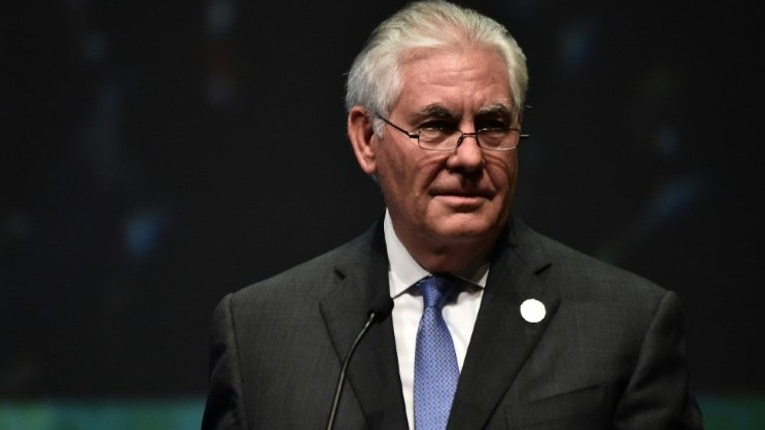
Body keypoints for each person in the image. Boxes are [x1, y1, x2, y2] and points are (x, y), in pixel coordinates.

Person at [201, 1, 703, 429]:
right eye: (436, 126)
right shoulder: (261, 334)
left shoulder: (626, 326)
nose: (469, 158)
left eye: (492, 125)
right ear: (365, 139)